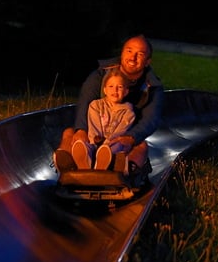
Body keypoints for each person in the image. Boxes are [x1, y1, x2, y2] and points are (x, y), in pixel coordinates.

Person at [54, 34, 164, 182]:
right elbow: (85, 103)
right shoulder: (100, 75)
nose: (133, 57)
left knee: (141, 146)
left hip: (123, 134)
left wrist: (131, 137)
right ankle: (72, 167)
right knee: (69, 133)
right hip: (96, 132)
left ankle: (120, 171)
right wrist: (81, 130)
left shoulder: (152, 86)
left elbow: (151, 119)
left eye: (140, 54)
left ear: (147, 61)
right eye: (129, 51)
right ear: (122, 53)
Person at [71, 67, 136, 170]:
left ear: (126, 91)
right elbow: (94, 127)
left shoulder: (128, 111)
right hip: (96, 142)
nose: (115, 90)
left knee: (119, 146)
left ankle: (102, 163)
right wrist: (95, 142)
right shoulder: (96, 105)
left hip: (113, 143)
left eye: (119, 87)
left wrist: (107, 144)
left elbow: (120, 132)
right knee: (85, 145)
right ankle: (85, 162)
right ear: (105, 90)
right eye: (111, 86)